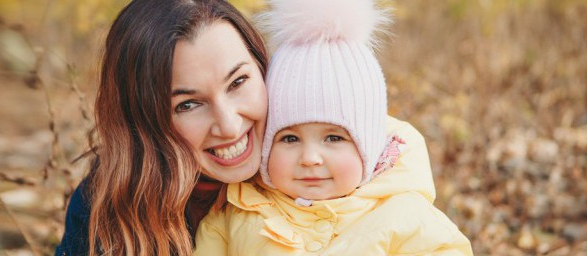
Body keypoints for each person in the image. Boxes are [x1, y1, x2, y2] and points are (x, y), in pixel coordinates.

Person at [194, 0, 473, 255]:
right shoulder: (237, 213)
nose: (310, 158)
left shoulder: (404, 216)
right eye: (290, 138)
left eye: (333, 137)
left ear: (369, 148)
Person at [55, 0, 269, 255]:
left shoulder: (319, 167)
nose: (230, 127)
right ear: (145, 121)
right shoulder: (106, 210)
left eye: (238, 82)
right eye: (188, 105)